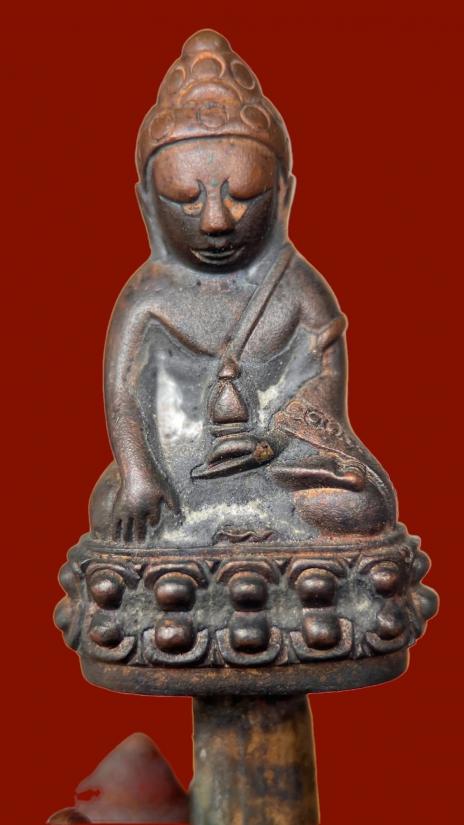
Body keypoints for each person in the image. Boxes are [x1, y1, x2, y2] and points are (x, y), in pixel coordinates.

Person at [90, 30, 397, 548]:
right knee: (111, 501)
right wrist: (140, 474)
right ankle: (230, 531)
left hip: (279, 458)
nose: (216, 221)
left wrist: (270, 443)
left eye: (245, 196)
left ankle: (218, 534)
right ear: (147, 204)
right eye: (186, 199)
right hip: (183, 462)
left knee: (362, 502)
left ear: (283, 195)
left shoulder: (298, 285)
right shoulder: (147, 296)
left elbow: (325, 383)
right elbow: (124, 395)